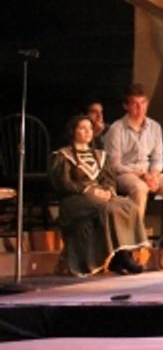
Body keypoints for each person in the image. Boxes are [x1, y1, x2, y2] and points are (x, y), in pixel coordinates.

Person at [50, 114, 147, 276]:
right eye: (82, 128)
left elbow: (108, 179)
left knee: (128, 206)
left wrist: (108, 191)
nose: (88, 131)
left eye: (90, 128)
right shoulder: (63, 156)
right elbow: (63, 183)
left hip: (100, 196)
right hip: (75, 199)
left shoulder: (100, 156)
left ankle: (123, 254)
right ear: (73, 131)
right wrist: (89, 190)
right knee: (106, 209)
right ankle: (120, 258)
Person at [104, 83, 163, 252]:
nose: (140, 108)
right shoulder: (117, 129)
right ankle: (135, 240)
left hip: (148, 173)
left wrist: (154, 175)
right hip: (125, 173)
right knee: (140, 188)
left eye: (143, 103)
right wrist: (143, 176)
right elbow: (114, 165)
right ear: (126, 106)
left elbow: (158, 158)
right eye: (135, 104)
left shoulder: (154, 127)